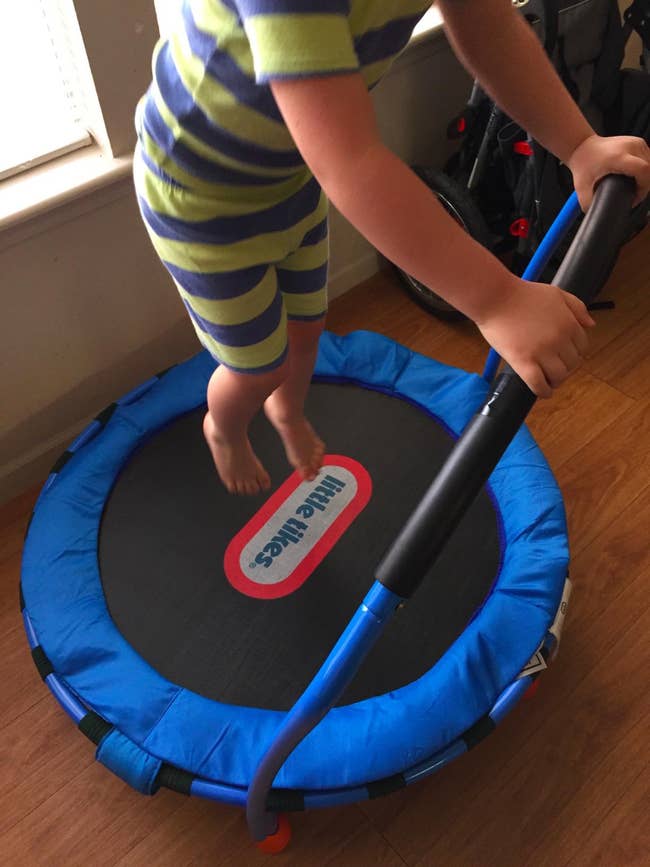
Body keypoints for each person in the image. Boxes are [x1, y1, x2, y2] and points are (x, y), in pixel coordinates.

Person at [133, 0, 650, 495]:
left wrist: (576, 144)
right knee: (262, 365)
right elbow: (352, 161)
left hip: (292, 181)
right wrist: (498, 300)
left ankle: (286, 412)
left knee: (307, 330)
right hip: (203, 203)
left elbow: (485, 24)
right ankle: (223, 427)